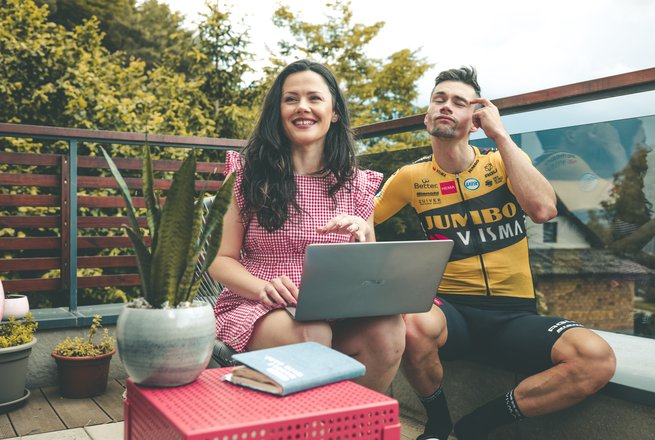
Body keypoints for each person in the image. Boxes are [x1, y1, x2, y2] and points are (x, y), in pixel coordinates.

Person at [374, 66, 616, 439]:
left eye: (458, 102)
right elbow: (362, 217)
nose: (445, 107)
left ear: (475, 120)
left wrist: (500, 134)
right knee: (411, 322)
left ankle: (478, 424)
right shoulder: (410, 177)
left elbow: (543, 210)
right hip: (450, 311)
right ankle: (438, 424)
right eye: (439, 100)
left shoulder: (502, 161)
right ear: (426, 116)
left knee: (596, 358)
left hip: (513, 315)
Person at [208, 59, 405, 393]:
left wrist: (365, 235)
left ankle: (347, 425)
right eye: (291, 99)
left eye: (314, 98)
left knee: (389, 329)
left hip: (337, 306)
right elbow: (220, 259)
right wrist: (262, 288)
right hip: (261, 303)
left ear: (334, 112)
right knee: (311, 332)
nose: (303, 107)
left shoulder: (358, 185)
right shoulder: (245, 176)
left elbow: (372, 274)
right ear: (278, 111)